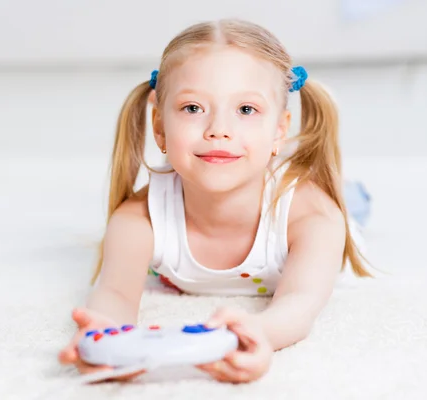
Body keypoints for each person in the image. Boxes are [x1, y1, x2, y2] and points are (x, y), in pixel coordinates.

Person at [59, 18, 374, 384]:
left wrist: (258, 333)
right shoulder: (138, 220)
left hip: (307, 203)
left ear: (279, 130)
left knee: (351, 202)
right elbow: (114, 291)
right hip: (242, 171)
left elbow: (300, 302)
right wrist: (105, 336)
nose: (218, 130)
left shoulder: (312, 214)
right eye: (193, 108)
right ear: (159, 127)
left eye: (246, 110)